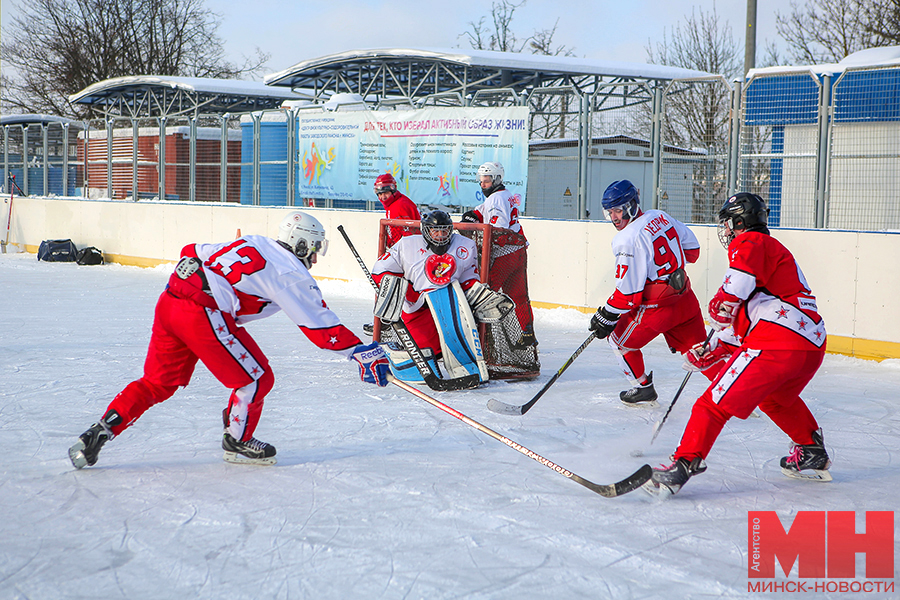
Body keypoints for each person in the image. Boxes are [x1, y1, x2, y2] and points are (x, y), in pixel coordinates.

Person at [68, 211, 390, 469]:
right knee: (255, 379)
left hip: (170, 301)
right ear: (303, 244)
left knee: (157, 383)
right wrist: (361, 351)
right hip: (201, 312)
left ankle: (101, 430)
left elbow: (191, 252)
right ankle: (237, 439)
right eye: (315, 249)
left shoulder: (254, 241)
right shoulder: (290, 272)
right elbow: (321, 327)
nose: (315, 259)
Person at [644, 193, 830, 496]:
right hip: (810, 346)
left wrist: (722, 301)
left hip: (777, 343)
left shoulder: (751, 243)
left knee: (711, 405)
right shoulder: (770, 255)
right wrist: (714, 346)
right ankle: (811, 450)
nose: (726, 231)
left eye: (728, 223)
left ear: (740, 221)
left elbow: (734, 294)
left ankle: (682, 466)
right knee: (774, 399)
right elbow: (750, 316)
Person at [588, 180, 718, 406]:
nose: (614, 217)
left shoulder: (626, 238)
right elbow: (693, 251)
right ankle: (736, 389)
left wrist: (606, 314)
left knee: (618, 341)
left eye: (618, 210)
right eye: (610, 212)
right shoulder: (660, 216)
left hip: (657, 309)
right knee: (700, 350)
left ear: (631, 205)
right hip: (685, 299)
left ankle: (642, 387)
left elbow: (629, 295)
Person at [371, 209, 481, 359]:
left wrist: (477, 294)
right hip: (418, 307)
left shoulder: (465, 246)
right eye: (435, 231)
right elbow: (380, 269)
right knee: (427, 352)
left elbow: (469, 278)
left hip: (450, 306)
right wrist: (402, 289)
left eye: (445, 231)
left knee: (458, 350)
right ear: (425, 231)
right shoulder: (407, 244)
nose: (441, 236)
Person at [461, 161, 536, 349]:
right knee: (518, 295)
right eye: (481, 180)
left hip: (505, 254)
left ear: (497, 179)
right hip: (518, 250)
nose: (482, 184)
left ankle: (481, 336)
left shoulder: (496, 199)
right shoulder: (505, 194)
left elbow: (498, 227)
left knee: (486, 293)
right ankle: (527, 332)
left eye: (486, 180)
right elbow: (483, 210)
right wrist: (473, 215)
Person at [374, 172, 420, 248]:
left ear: (392, 191)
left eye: (386, 193)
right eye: (380, 194)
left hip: (408, 251)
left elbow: (409, 235)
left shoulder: (399, 206)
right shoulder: (393, 204)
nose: (383, 197)